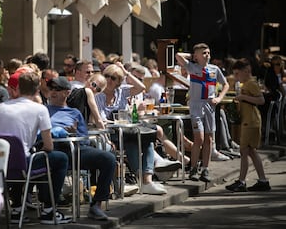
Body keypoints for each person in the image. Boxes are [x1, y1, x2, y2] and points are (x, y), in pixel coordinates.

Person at [0, 71, 71, 225]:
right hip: (24, 164)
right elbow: (49, 146)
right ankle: (49, 210)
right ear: (37, 90)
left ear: (19, 88)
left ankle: (16, 208)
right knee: (60, 158)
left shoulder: (1, 107)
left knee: (21, 157)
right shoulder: (40, 109)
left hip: (1, 164)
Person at [46, 76, 116, 220]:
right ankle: (49, 206)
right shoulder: (42, 110)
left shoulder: (75, 113)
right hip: (52, 148)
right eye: (51, 88)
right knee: (58, 158)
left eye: (57, 89)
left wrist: (73, 133)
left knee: (108, 158)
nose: (53, 92)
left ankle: (96, 205)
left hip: (74, 149)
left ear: (67, 93)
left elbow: (84, 139)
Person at [94, 63, 171, 194]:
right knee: (134, 141)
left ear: (119, 81)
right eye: (106, 76)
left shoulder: (122, 91)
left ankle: (147, 180)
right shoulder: (98, 95)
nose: (109, 80)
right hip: (110, 133)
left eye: (113, 78)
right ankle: (145, 181)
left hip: (126, 131)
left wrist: (126, 72)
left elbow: (141, 87)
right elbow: (99, 121)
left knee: (146, 139)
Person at [176, 43, 229, 182]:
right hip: (196, 106)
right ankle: (194, 168)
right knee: (198, 138)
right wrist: (192, 56)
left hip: (210, 105)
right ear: (197, 56)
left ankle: (205, 169)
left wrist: (219, 98)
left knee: (209, 139)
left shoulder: (214, 69)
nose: (207, 55)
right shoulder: (192, 67)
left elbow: (226, 84)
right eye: (203, 53)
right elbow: (178, 56)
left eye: (208, 52)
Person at [225, 58, 271, 192]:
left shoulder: (251, 83)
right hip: (249, 120)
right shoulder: (246, 84)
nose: (236, 77)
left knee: (244, 151)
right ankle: (262, 180)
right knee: (250, 151)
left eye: (237, 74)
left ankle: (242, 181)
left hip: (250, 121)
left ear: (246, 72)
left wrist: (243, 97)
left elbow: (261, 100)